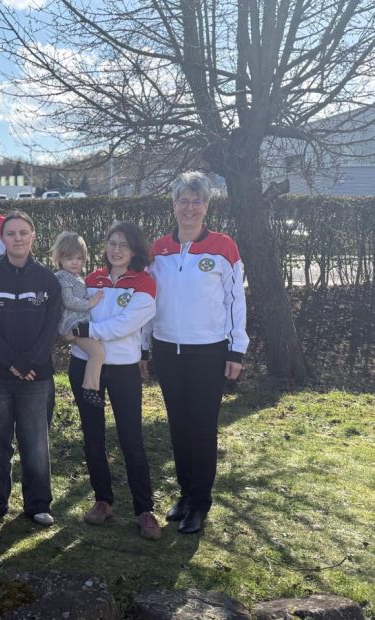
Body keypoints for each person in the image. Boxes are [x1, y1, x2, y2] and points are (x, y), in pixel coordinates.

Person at [146, 171, 248, 535]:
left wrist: (237, 349)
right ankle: (186, 494)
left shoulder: (224, 247)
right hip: (167, 349)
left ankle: (201, 503)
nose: (190, 207)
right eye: (183, 200)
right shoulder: (158, 249)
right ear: (173, 204)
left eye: (197, 201)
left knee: (202, 427)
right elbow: (147, 300)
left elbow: (236, 301)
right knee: (178, 425)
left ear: (206, 206)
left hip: (208, 351)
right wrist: (145, 347)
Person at [67, 222, 161, 540]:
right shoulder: (92, 279)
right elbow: (74, 313)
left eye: (123, 244)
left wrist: (87, 332)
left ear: (135, 250)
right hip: (84, 367)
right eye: (111, 243)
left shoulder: (145, 282)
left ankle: (144, 510)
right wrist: (79, 330)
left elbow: (126, 323)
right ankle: (103, 501)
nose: (116, 249)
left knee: (131, 439)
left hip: (122, 369)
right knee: (93, 437)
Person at [0, 211, 61, 526]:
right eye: (11, 233)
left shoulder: (48, 280)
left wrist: (28, 362)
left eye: (24, 233)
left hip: (37, 376)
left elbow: (51, 328)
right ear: (2, 238)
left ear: (33, 236)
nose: (18, 238)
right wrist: (12, 362)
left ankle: (38, 504)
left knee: (35, 441)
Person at [51, 231, 106, 407]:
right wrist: (91, 302)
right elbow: (68, 301)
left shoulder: (75, 277)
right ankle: (90, 389)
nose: (75, 262)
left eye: (79, 258)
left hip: (78, 324)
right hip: (73, 324)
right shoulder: (62, 277)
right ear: (59, 258)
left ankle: (89, 388)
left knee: (97, 352)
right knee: (98, 353)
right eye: (69, 258)